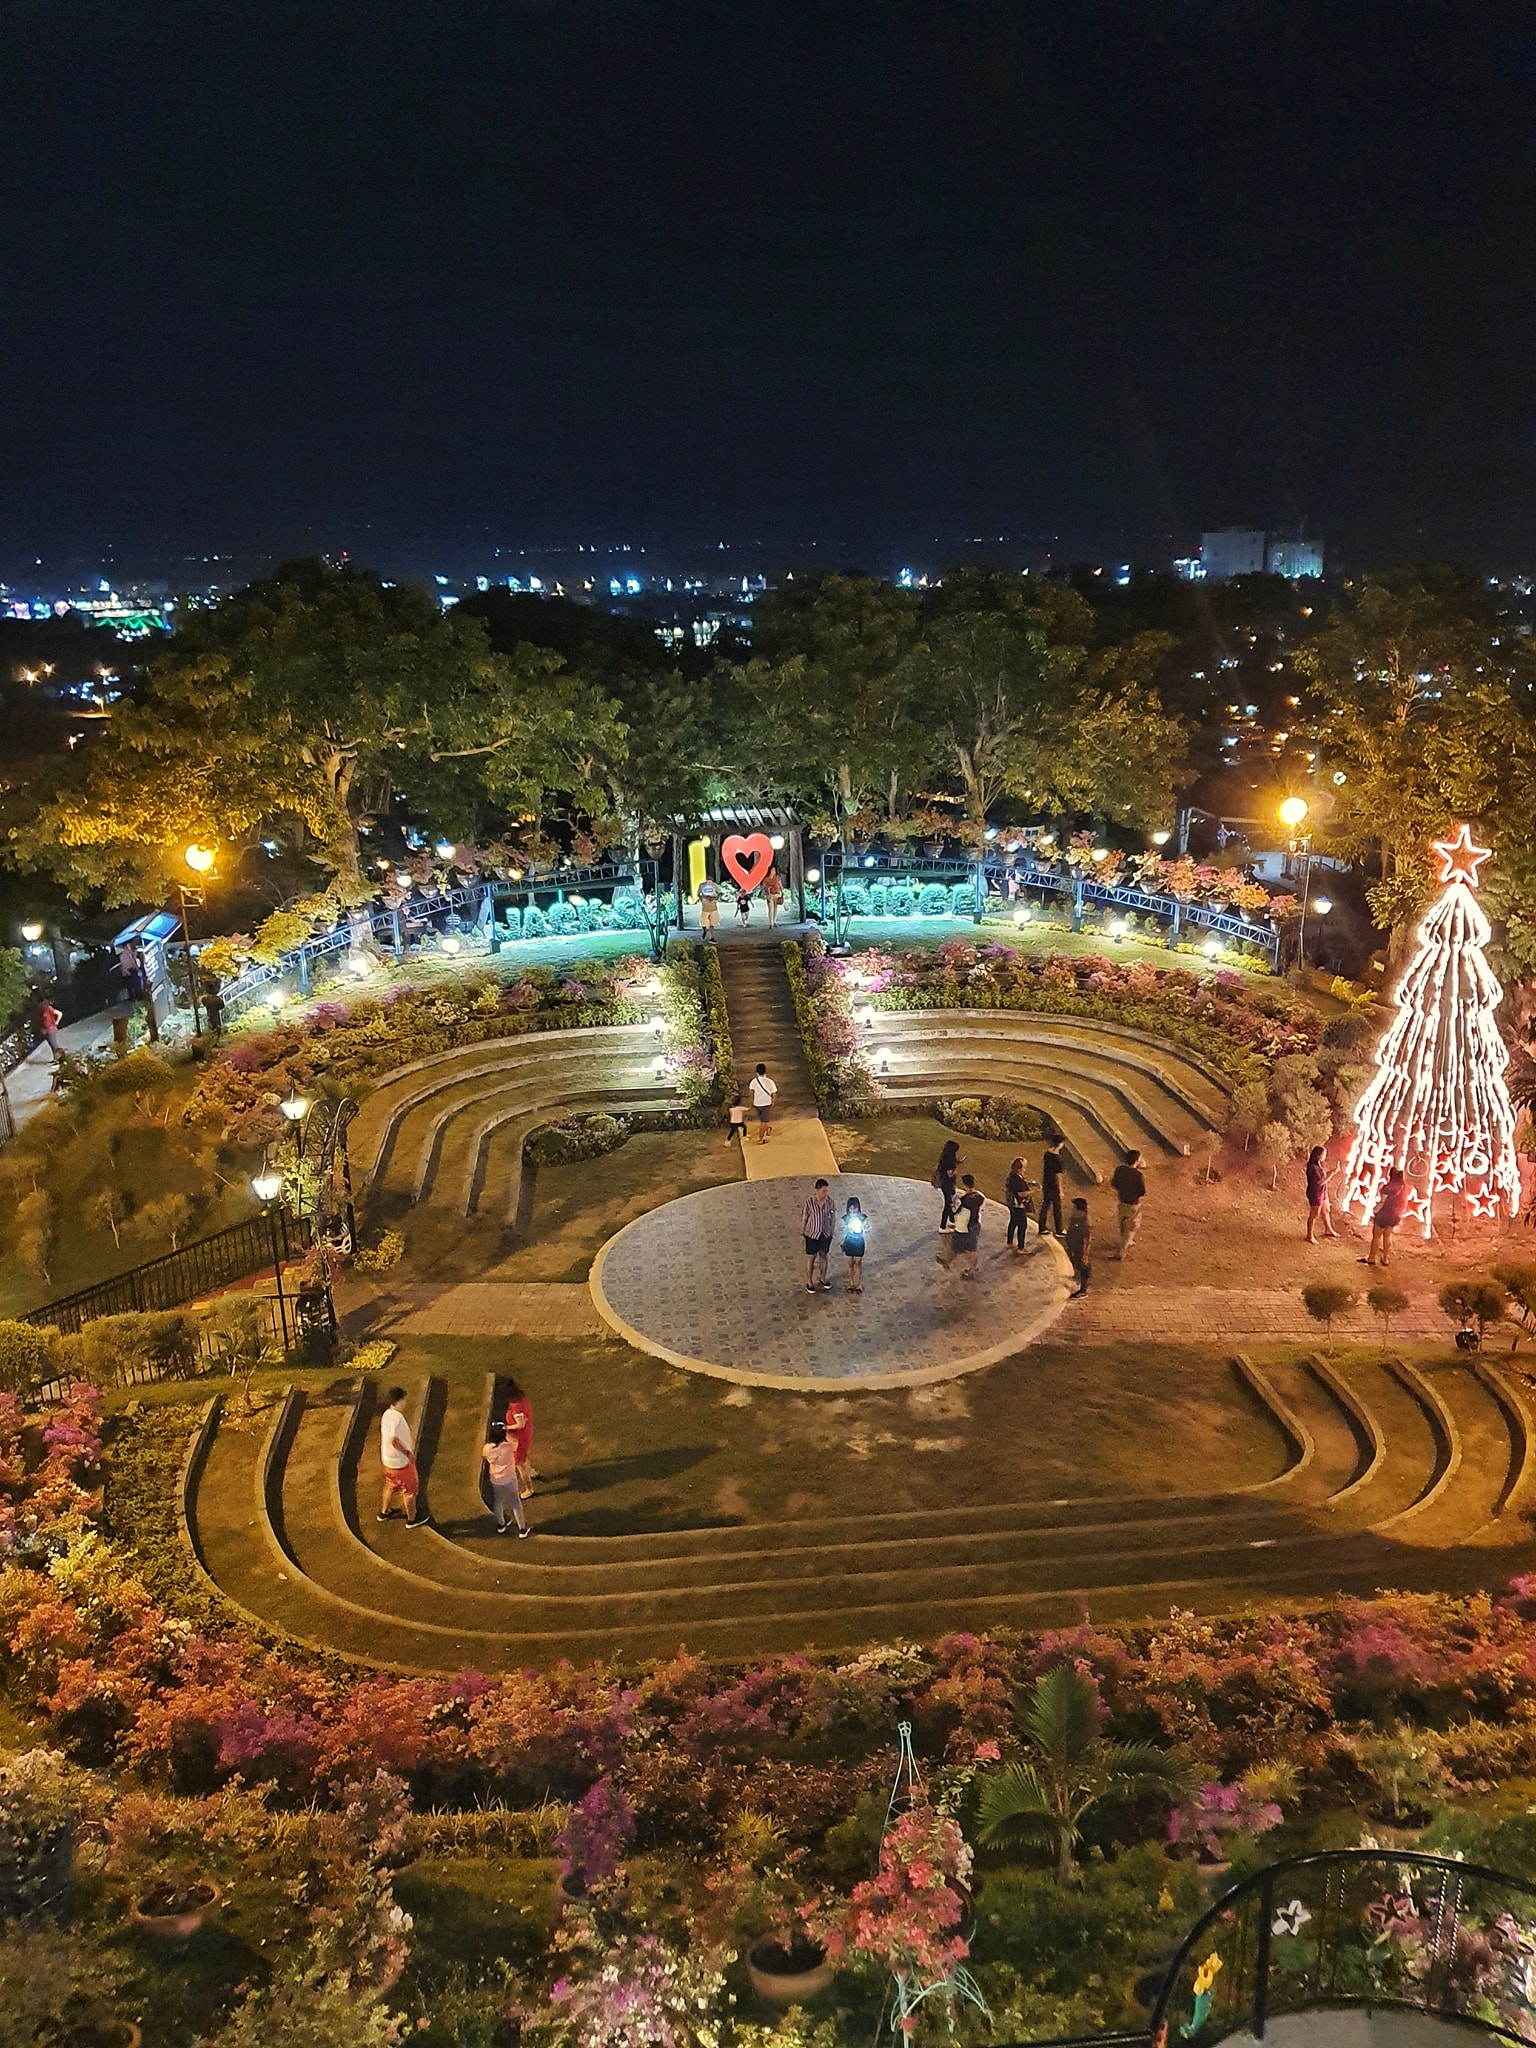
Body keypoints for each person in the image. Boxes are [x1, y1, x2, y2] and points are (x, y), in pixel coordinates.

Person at [378, 1387, 427, 1526]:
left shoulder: (386, 1414)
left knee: (390, 1484)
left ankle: (384, 1512)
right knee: (409, 1490)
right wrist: (407, 1453)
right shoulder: (397, 1418)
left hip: (387, 1460)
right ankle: (412, 1519)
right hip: (400, 1462)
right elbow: (394, 1440)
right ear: (399, 1400)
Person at [482, 1421, 530, 1536]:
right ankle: (522, 1529)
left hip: (496, 1479)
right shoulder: (508, 1446)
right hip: (510, 1479)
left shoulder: (488, 1448)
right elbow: (515, 1443)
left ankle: (501, 1525)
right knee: (516, 1504)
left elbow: (484, 1456)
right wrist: (506, 1434)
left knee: (498, 1501)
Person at [1361, 1166, 1409, 1267]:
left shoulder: (1388, 1188)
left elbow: (1382, 1202)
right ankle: (1385, 1258)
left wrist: (1375, 1211)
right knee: (1388, 1235)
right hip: (1395, 1214)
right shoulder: (1404, 1187)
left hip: (1384, 1214)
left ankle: (1371, 1258)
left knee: (1377, 1236)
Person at [1110, 1148, 1146, 1259]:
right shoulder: (1138, 1175)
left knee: (1122, 1224)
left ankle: (1124, 1242)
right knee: (1130, 1228)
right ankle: (1121, 1252)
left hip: (1121, 1201)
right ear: (1137, 1160)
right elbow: (1142, 1191)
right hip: (1133, 1205)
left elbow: (1114, 1184)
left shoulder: (1119, 1170)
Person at [503, 1378, 535, 1498]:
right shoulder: (522, 1399)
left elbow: (520, 1424)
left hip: (519, 1438)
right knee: (524, 1456)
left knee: (520, 1463)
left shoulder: (516, 1406)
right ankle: (531, 1471)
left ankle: (529, 1488)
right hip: (526, 1433)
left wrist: (507, 1427)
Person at [803, 1177, 836, 1292]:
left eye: (827, 1191)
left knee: (824, 1256)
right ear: (817, 1190)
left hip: (825, 1234)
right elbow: (805, 1217)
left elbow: (833, 1217)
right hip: (812, 1234)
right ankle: (809, 1281)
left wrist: (831, 1231)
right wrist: (803, 1231)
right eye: (823, 1191)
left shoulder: (830, 1202)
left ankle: (823, 1278)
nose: (826, 1193)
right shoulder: (809, 1202)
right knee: (811, 1258)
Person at [952, 1173, 985, 1278]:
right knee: (972, 1248)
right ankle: (972, 1267)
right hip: (976, 1224)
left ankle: (971, 1270)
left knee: (969, 1249)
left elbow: (955, 1211)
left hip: (967, 1227)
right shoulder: (980, 1196)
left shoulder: (964, 1201)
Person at [1305, 1144, 1338, 1242]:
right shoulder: (1312, 1167)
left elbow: (1323, 1176)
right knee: (1314, 1214)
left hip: (1322, 1191)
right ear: (1318, 1155)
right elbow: (1320, 1181)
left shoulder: (1319, 1164)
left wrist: (1331, 1171)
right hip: (1315, 1193)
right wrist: (1333, 1173)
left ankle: (1328, 1229)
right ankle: (1309, 1236)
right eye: (1324, 1154)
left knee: (1326, 1209)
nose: (1325, 1156)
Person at [1004, 1156, 1035, 1252]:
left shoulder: (1013, 1176)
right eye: (1024, 1167)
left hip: (1013, 1205)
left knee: (1013, 1222)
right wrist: (1033, 1191)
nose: (1025, 1169)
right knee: (1022, 1225)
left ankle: (1009, 1242)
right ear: (1019, 1168)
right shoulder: (1016, 1180)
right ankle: (1021, 1247)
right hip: (1018, 1205)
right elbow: (1021, 1194)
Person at [1064, 1198, 1092, 1298]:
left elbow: (1085, 1238)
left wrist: (1085, 1253)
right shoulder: (1076, 1218)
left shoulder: (1082, 1222)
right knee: (1077, 1263)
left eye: (1074, 1207)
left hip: (1079, 1248)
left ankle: (1083, 1289)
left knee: (1083, 1266)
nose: (1072, 1209)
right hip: (1074, 1247)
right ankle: (1079, 1278)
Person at [1039, 1135, 1067, 1237]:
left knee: (1045, 1205)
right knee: (1057, 1207)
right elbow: (1058, 1175)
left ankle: (1042, 1226)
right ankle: (1059, 1229)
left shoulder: (1047, 1154)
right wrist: (1060, 1190)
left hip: (1046, 1182)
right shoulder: (1057, 1159)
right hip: (1054, 1185)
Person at [933, 1139, 962, 1229]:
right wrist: (956, 1170)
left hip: (945, 1183)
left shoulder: (945, 1157)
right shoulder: (949, 1161)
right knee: (948, 1203)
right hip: (947, 1184)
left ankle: (952, 1220)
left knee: (952, 1200)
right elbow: (950, 1174)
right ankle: (943, 1226)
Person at [841, 1195, 868, 1291]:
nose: (853, 1211)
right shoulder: (845, 1219)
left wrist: (863, 1229)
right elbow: (842, 1230)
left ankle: (858, 1284)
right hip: (849, 1242)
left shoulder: (863, 1218)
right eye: (851, 1209)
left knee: (858, 1262)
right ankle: (851, 1283)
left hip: (859, 1242)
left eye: (855, 1209)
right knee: (850, 1263)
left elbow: (867, 1228)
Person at [750, 1062, 778, 1143]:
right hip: (766, 1103)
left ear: (757, 1072)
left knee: (762, 1120)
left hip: (757, 1104)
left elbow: (751, 1092)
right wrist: (773, 1102)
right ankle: (761, 1137)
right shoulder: (770, 1081)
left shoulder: (754, 1082)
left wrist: (752, 1101)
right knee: (764, 1121)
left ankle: (764, 1132)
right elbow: (774, 1093)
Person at [697, 875, 721, 942]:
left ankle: (711, 936)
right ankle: (707, 931)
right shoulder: (703, 885)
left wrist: (711, 898)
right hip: (708, 906)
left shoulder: (712, 885)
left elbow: (699, 894)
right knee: (707, 922)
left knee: (711, 923)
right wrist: (707, 898)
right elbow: (699, 894)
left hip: (711, 906)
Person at [764, 864, 785, 929]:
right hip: (770, 895)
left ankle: (774, 921)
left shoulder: (777, 878)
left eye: (774, 870)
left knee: (775, 908)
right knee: (771, 909)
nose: (773, 871)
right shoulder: (766, 879)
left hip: (777, 894)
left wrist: (782, 893)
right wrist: (767, 893)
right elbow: (764, 888)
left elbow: (781, 886)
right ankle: (771, 923)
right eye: (772, 870)